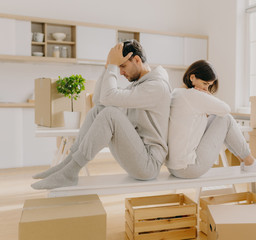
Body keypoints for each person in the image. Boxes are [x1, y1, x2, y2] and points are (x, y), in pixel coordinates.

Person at [32, 40, 172, 189]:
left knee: (110, 114)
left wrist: (112, 65)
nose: (121, 72)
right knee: (99, 111)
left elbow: (108, 97)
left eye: (122, 66)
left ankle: (69, 173)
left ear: (137, 60)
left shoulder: (156, 87)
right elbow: (99, 100)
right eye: (118, 67)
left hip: (148, 164)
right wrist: (107, 66)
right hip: (138, 155)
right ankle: (66, 165)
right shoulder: (140, 85)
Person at [166, 60, 256, 179]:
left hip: (173, 167)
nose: (206, 88)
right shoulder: (192, 95)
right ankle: (248, 161)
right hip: (188, 168)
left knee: (216, 117)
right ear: (192, 77)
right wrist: (207, 95)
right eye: (205, 84)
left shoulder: (177, 93)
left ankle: (245, 160)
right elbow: (225, 109)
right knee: (225, 118)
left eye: (209, 85)